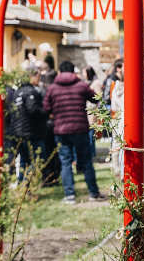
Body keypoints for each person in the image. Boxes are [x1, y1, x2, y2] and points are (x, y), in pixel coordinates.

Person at [43, 60, 105, 203]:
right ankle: (93, 193)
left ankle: (70, 195)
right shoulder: (81, 86)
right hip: (80, 129)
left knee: (65, 162)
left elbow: (46, 108)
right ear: (73, 72)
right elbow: (96, 98)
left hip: (61, 130)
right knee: (86, 162)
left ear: (59, 72)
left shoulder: (52, 88)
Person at [7, 70, 48, 183]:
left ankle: (22, 184)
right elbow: (33, 110)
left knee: (24, 160)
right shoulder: (31, 92)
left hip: (18, 131)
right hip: (31, 131)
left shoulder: (17, 92)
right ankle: (27, 184)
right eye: (38, 77)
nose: (39, 79)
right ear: (32, 76)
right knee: (38, 159)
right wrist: (47, 112)